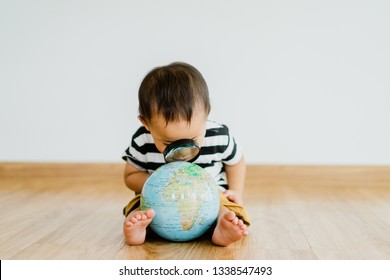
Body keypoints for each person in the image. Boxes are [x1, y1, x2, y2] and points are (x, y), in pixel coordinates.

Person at [122, 62, 250, 246]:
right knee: (139, 207)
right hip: (160, 202)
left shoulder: (218, 136)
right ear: (146, 124)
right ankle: (140, 227)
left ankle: (222, 226)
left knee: (228, 207)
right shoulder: (143, 139)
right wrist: (160, 185)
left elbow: (236, 162)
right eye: (168, 143)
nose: (182, 152)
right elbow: (130, 176)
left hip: (211, 197)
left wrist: (236, 190)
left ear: (206, 114)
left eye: (193, 139)